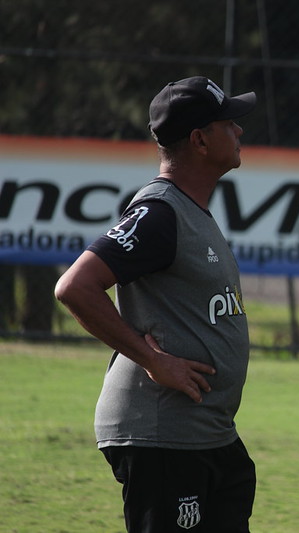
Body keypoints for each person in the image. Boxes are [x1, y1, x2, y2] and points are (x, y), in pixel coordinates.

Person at [55, 76, 257, 533]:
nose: (240, 131)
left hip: (206, 435)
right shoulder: (159, 213)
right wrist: (152, 360)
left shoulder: (189, 210)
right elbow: (75, 287)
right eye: (229, 123)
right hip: (162, 435)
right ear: (200, 140)